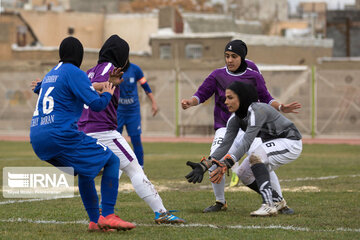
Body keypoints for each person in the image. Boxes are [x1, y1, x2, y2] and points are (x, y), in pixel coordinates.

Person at [181, 39, 301, 213]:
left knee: (260, 160)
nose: (229, 60)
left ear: (242, 57)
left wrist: (281, 107)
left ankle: (278, 202)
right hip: (227, 125)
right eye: (227, 56)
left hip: (258, 129)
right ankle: (221, 202)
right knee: (222, 162)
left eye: (234, 56)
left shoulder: (254, 76)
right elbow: (201, 93)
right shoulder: (218, 76)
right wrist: (206, 164)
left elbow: (266, 97)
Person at [30, 36, 135, 232]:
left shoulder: (52, 73)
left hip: (37, 138)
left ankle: (95, 221)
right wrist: (109, 92)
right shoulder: (74, 72)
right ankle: (109, 215)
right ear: (79, 55)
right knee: (112, 161)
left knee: (87, 172)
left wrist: (105, 83)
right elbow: (97, 105)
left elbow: (60, 89)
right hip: (60, 134)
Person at [77, 35, 185, 224]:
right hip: (103, 130)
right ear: (121, 55)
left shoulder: (88, 72)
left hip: (83, 131)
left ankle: (101, 211)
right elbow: (104, 90)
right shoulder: (113, 69)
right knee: (134, 168)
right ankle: (161, 212)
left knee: (113, 167)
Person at [116, 62, 158, 169]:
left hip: (132, 112)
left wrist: (153, 102)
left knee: (136, 140)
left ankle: (141, 168)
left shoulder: (135, 70)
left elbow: (145, 86)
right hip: (118, 111)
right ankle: (113, 166)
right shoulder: (113, 70)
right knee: (114, 140)